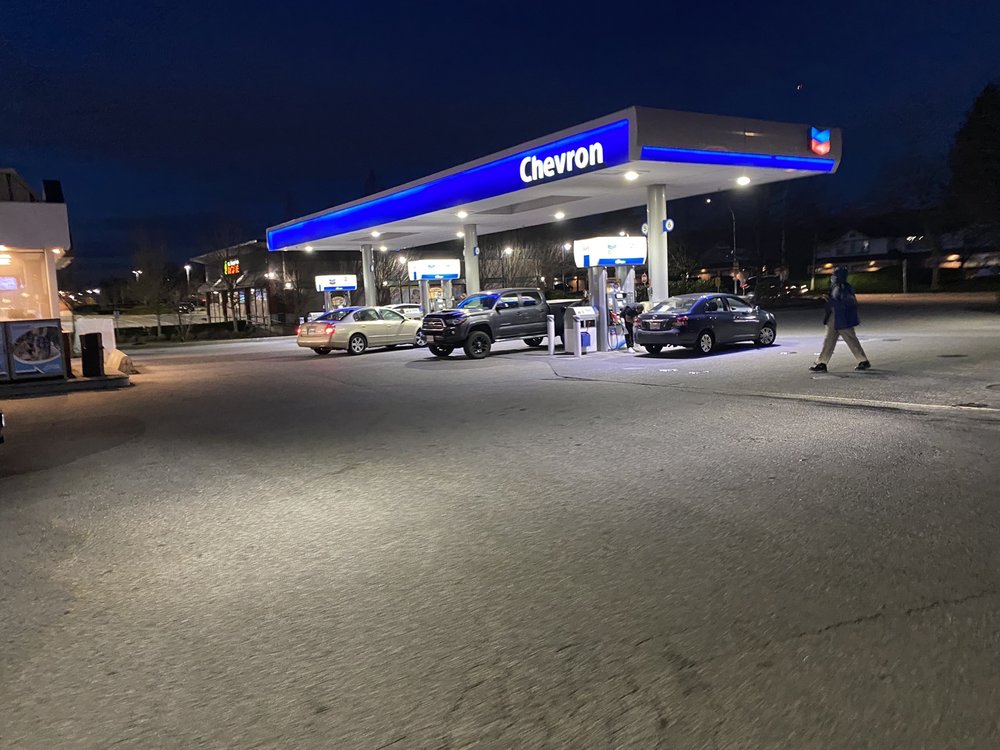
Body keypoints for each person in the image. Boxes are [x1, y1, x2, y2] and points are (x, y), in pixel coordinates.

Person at [810, 266, 871, 372]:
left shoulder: (844, 288)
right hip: (835, 317)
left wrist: (830, 301)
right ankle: (822, 363)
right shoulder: (837, 287)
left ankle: (863, 360)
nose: (832, 276)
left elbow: (845, 303)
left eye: (834, 274)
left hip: (842, 318)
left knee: (850, 339)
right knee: (829, 340)